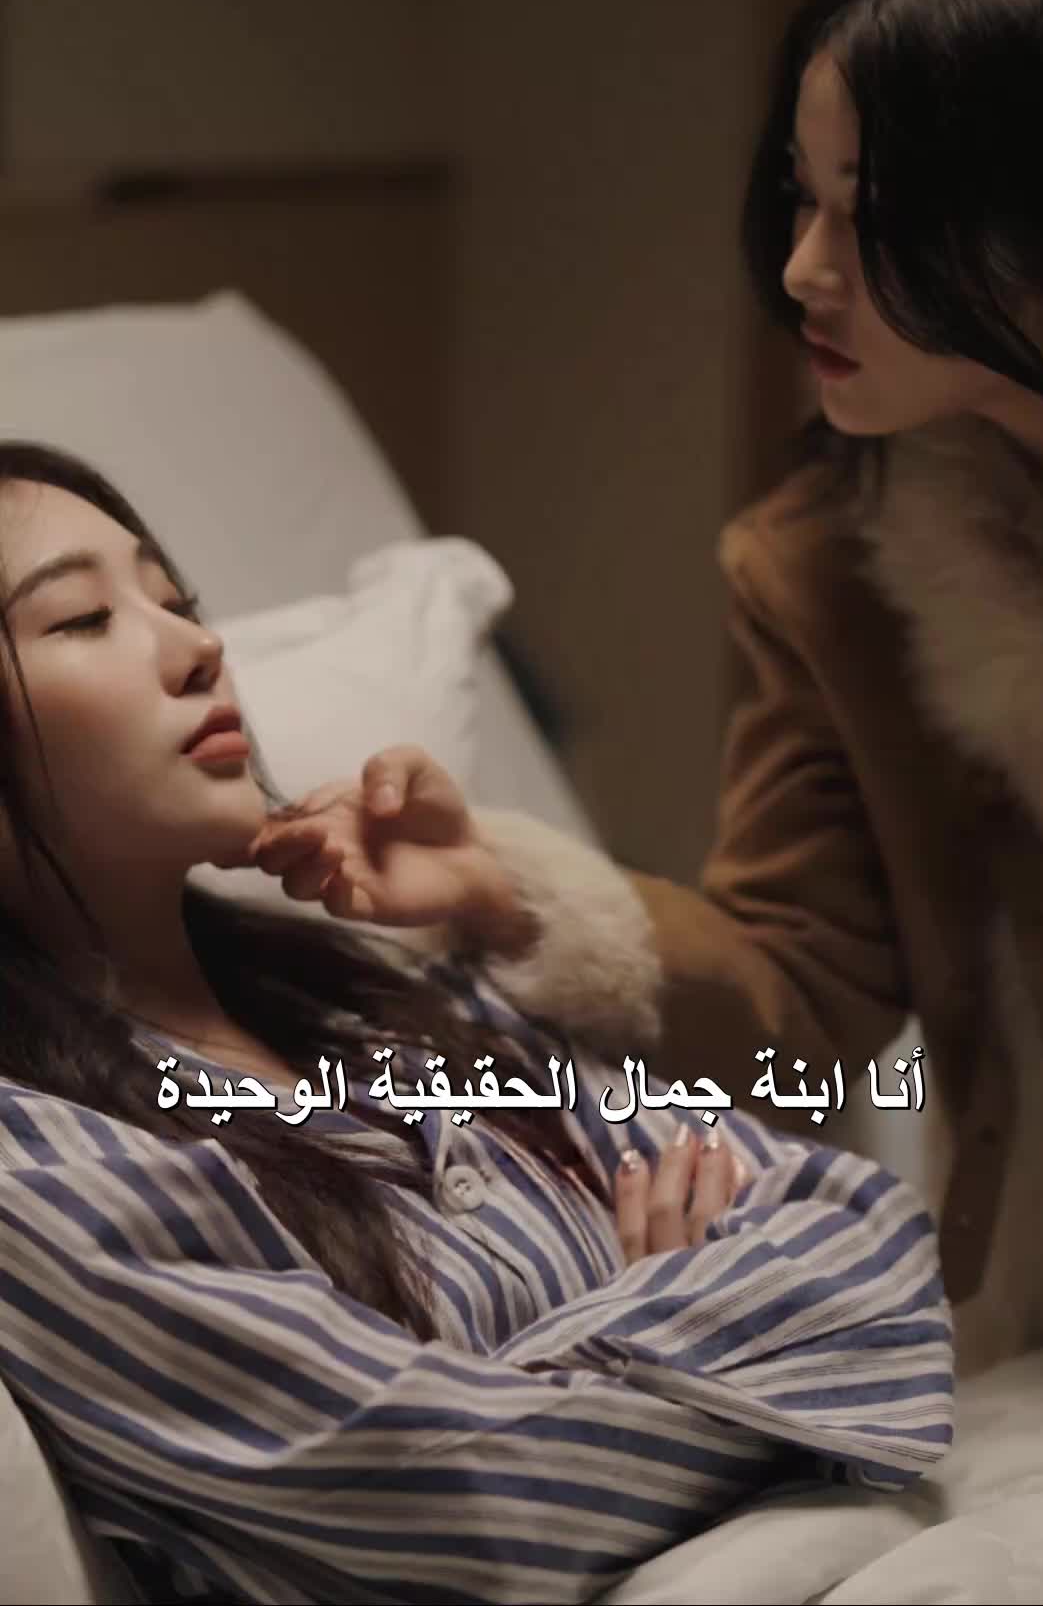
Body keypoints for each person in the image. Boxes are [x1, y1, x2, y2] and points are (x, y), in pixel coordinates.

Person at [0, 442, 950, 1606]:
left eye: (177, 601)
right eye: (83, 618)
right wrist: (683, 1301)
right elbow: (468, 1503)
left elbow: (868, 1233)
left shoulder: (375, 999)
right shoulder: (36, 1163)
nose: (200, 647)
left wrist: (577, 1380)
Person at [433, 0, 1043, 1384]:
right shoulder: (837, 571)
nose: (801, 268)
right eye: (801, 198)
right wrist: (509, 896)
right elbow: (803, 994)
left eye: (874, 215)